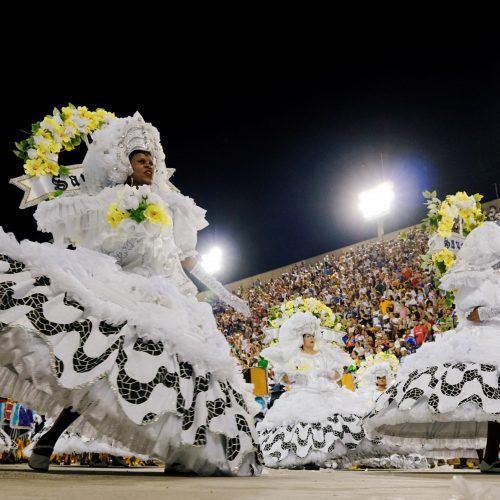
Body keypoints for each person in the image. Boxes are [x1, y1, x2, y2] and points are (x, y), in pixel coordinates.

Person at [0, 111, 262, 476]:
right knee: (98, 363)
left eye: (151, 160)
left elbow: (186, 261)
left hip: (170, 297)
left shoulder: (174, 206)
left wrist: (225, 294)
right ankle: (48, 439)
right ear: (126, 165)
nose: (149, 165)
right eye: (141, 160)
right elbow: (103, 251)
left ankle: (183, 453)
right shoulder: (110, 202)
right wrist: (128, 229)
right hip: (123, 288)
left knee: (178, 375)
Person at [364, 222, 500, 472]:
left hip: (493, 340)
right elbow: (472, 314)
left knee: (490, 403)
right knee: (478, 400)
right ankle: (488, 457)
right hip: (478, 343)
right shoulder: (472, 279)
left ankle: (490, 457)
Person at [257, 312, 375, 469]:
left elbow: (337, 374)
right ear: (301, 338)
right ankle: (309, 459)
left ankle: (336, 456)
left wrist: (327, 374)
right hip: (302, 393)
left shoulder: (324, 354)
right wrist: (293, 377)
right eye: (307, 336)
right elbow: (283, 378)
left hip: (327, 391)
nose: (311, 338)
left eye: (313, 335)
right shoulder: (294, 355)